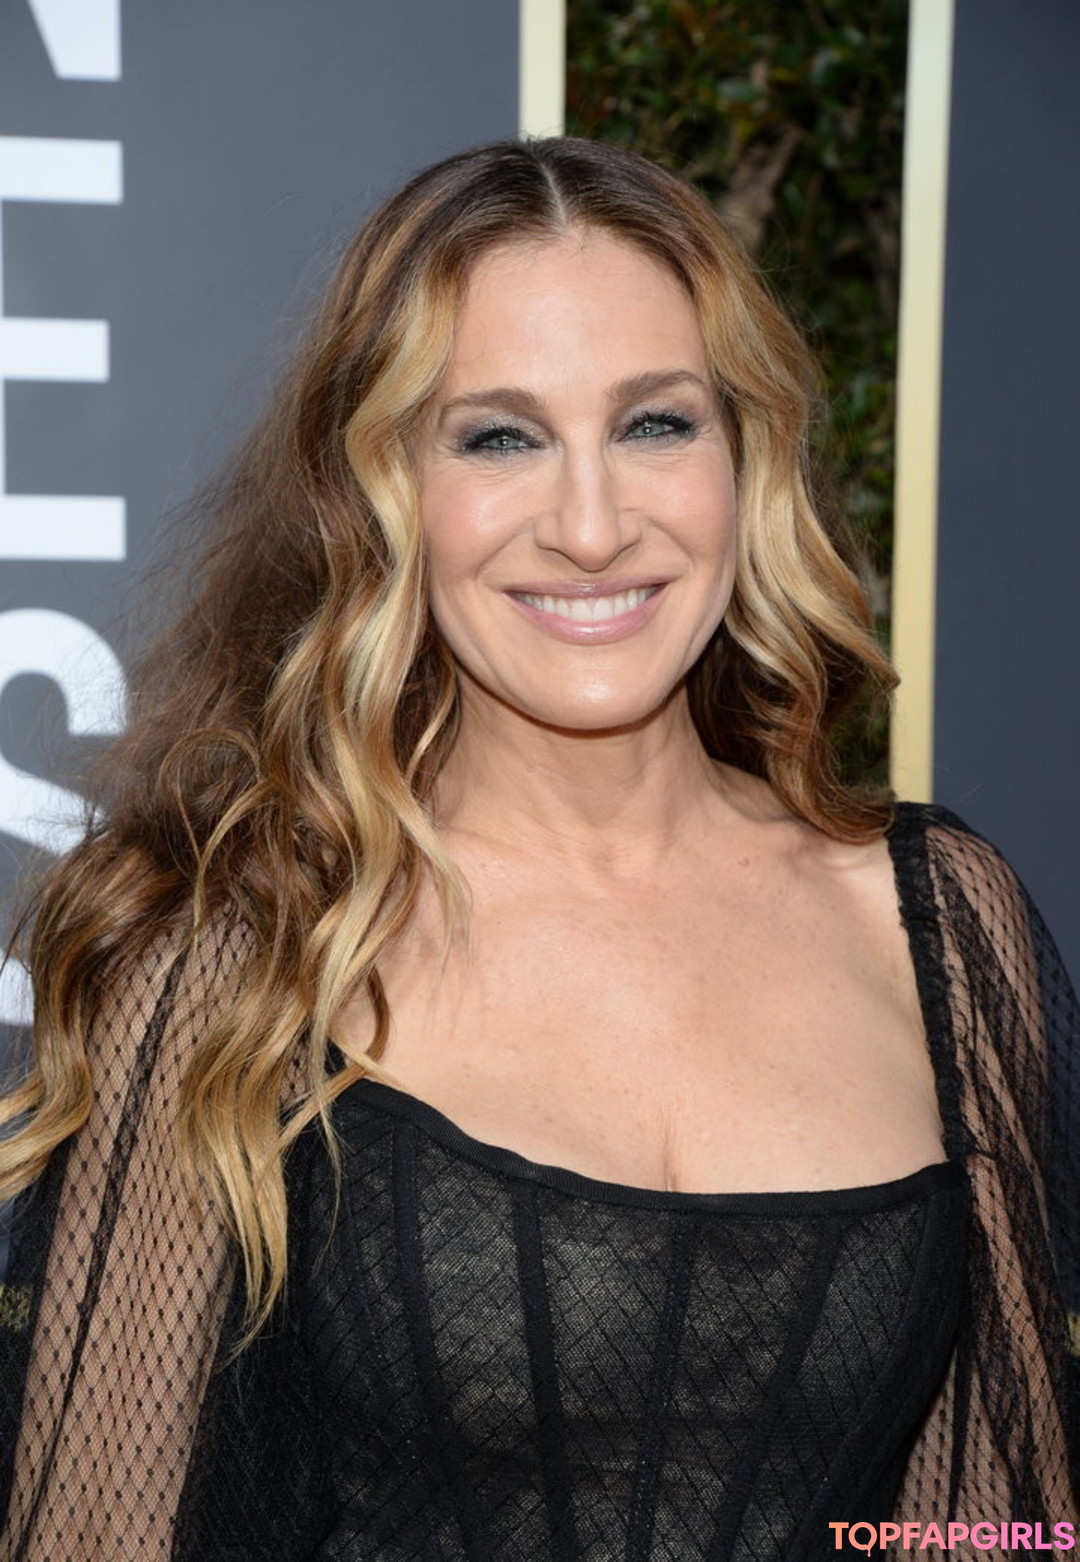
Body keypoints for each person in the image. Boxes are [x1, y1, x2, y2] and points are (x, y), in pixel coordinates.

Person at [0, 136, 1076, 1561]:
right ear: (380, 487)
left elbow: (1003, 1523)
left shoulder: (933, 918)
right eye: (500, 436)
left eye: (656, 424)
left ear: (745, 456)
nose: (591, 525)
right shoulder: (240, 955)